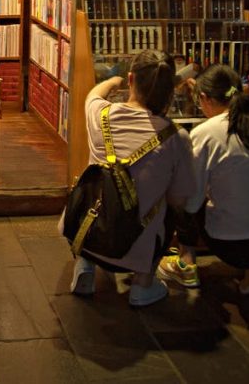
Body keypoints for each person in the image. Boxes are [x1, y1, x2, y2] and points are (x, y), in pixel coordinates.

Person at [64, 49, 196, 307]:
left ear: (132, 79)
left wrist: (114, 81)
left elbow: (93, 95)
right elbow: (180, 200)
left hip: (89, 234)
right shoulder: (175, 137)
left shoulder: (100, 114)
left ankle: (85, 266)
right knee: (170, 207)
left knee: (96, 192)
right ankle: (142, 285)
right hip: (137, 243)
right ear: (171, 89)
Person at [158, 64, 249, 295]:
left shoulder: (206, 132)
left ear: (204, 98)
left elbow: (191, 203)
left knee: (181, 190)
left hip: (234, 246)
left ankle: (186, 263)